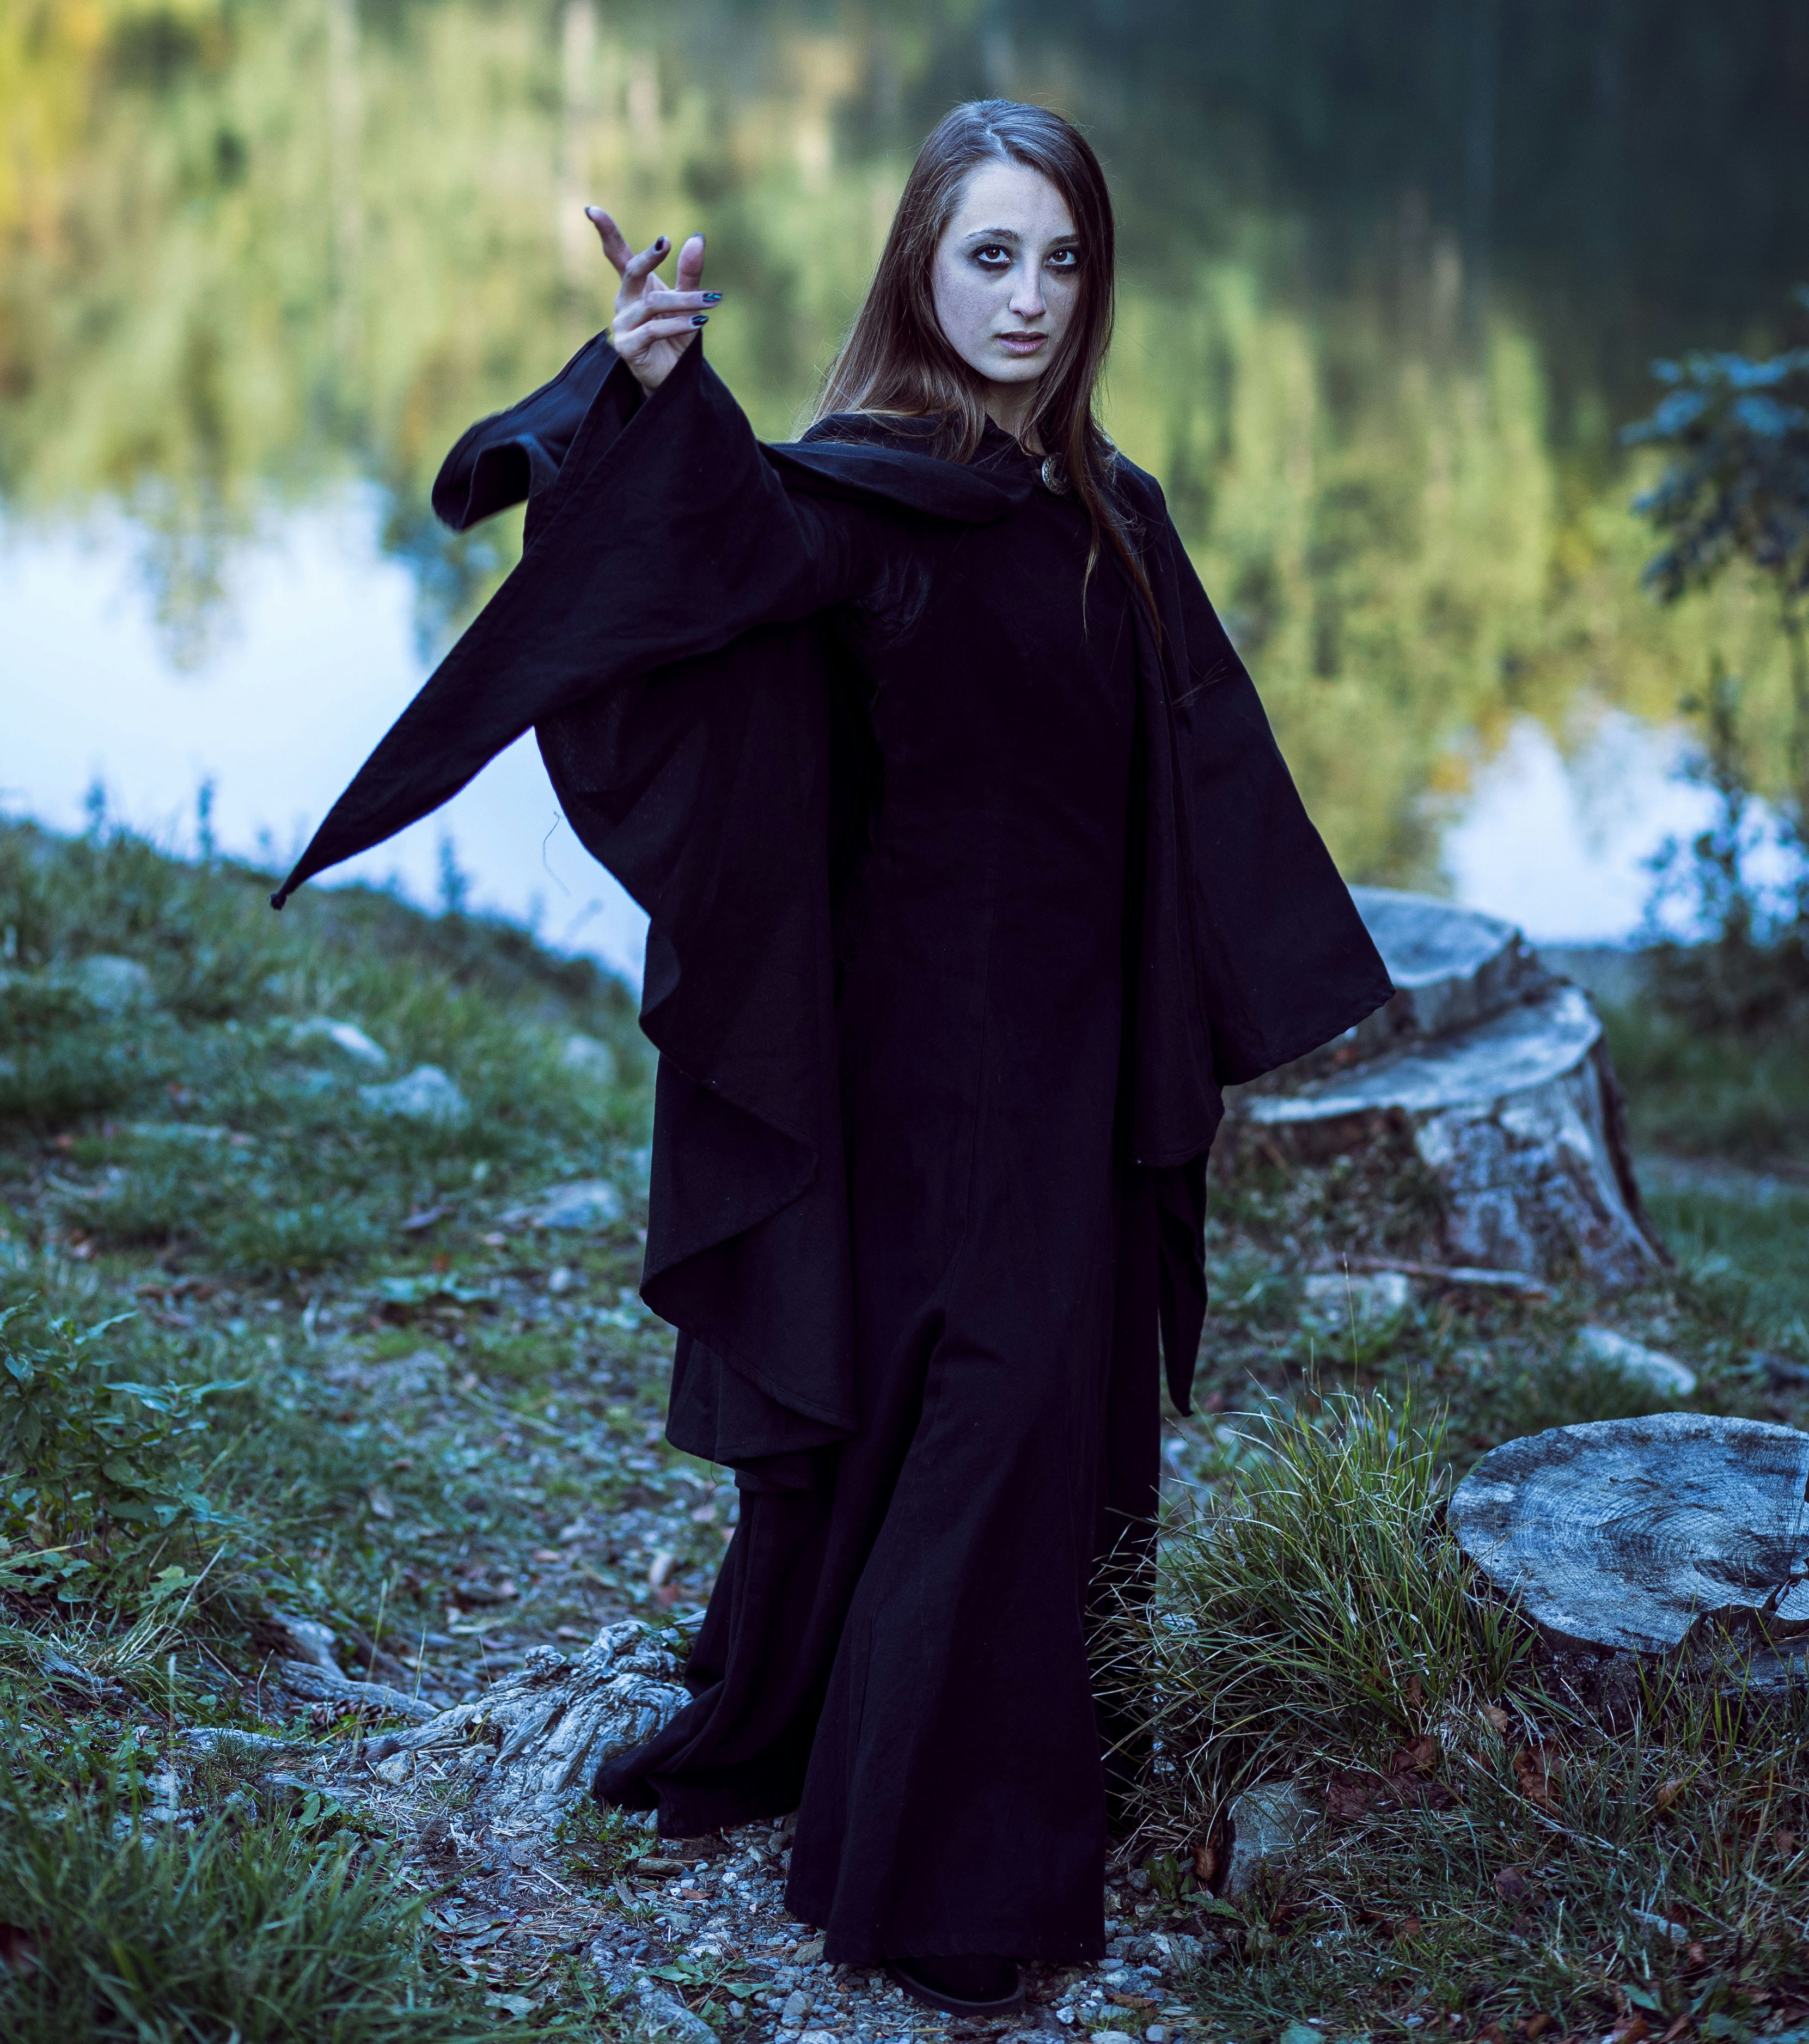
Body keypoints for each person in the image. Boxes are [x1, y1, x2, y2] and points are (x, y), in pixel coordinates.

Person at [272, 100, 1389, 2019]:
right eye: (988, 257)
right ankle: (945, 1874)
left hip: (1075, 1048)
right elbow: (698, 553)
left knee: (1021, 1416)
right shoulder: (867, 500)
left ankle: (901, 1757)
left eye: (1060, 260)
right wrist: (624, 400)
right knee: (990, 1413)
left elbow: (1194, 760)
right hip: (918, 1060)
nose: (1029, 298)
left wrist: (1218, 1007)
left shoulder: (1109, 506)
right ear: (916, 271)